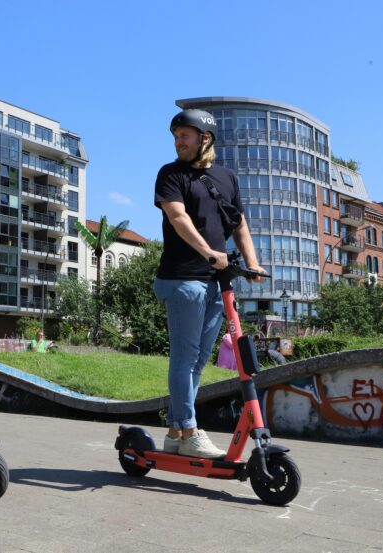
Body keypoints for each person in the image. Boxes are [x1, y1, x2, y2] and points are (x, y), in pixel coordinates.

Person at [153, 109, 266, 458]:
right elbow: (177, 216)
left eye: (184, 135)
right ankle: (188, 429)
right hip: (182, 277)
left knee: (200, 359)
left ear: (205, 138)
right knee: (185, 357)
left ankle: (175, 431)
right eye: (175, 137)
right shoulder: (170, 174)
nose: (178, 142)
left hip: (217, 282)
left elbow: (239, 223)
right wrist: (208, 252)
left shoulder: (226, 177)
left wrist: (252, 262)